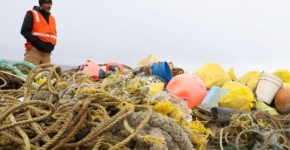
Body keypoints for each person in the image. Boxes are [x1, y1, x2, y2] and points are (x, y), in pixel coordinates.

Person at [20, 0, 56, 65]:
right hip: (34, 52)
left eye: (50, 4)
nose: (49, 6)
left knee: (46, 75)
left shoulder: (52, 18)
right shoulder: (32, 14)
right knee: (29, 73)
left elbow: (54, 34)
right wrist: (37, 43)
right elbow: (24, 31)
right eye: (47, 3)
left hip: (47, 54)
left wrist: (52, 45)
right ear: (41, 4)